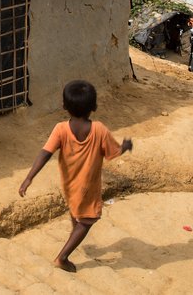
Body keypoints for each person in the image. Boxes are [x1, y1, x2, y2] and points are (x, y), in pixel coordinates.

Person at [18, 80, 132, 272]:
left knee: (76, 209)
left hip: (69, 183)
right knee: (88, 220)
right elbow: (113, 153)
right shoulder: (99, 130)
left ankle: (74, 234)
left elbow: (45, 153)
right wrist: (125, 147)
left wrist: (29, 178)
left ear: (64, 106)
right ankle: (62, 257)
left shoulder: (60, 129)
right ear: (94, 107)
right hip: (87, 186)